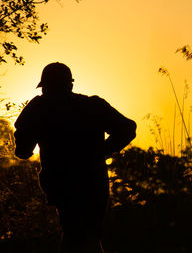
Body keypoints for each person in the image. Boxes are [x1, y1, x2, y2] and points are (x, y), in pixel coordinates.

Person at [14, 62, 137, 252]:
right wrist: (101, 153)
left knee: (77, 235)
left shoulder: (39, 108)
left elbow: (22, 152)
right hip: (94, 184)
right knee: (87, 235)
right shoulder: (93, 105)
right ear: (70, 85)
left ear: (44, 87)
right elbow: (128, 128)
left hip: (63, 186)